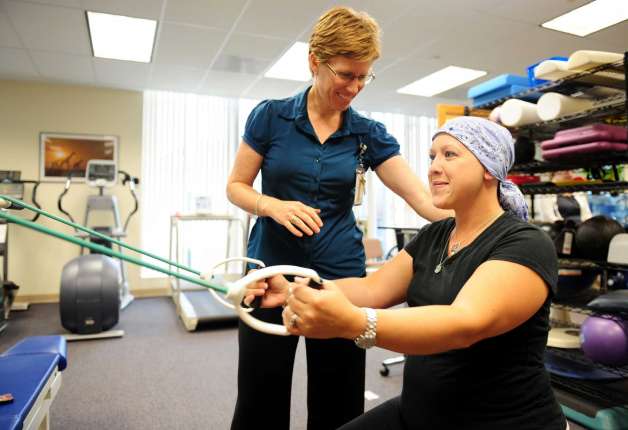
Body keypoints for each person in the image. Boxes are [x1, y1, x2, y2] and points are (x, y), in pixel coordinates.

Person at [247, 116, 568, 430]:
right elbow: (372, 289)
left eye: (449, 154)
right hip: (419, 412)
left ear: (488, 167)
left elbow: (465, 323)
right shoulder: (435, 235)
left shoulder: (525, 243)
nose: (433, 167)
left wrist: (355, 323)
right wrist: (291, 289)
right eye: (432, 157)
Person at [226, 6, 451, 430]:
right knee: (260, 394)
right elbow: (236, 186)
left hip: (340, 276)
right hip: (269, 271)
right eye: (346, 74)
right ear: (315, 61)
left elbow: (422, 199)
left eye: (364, 77)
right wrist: (273, 205)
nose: (355, 87)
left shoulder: (367, 133)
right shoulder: (271, 116)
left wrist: (492, 216)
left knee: (339, 397)